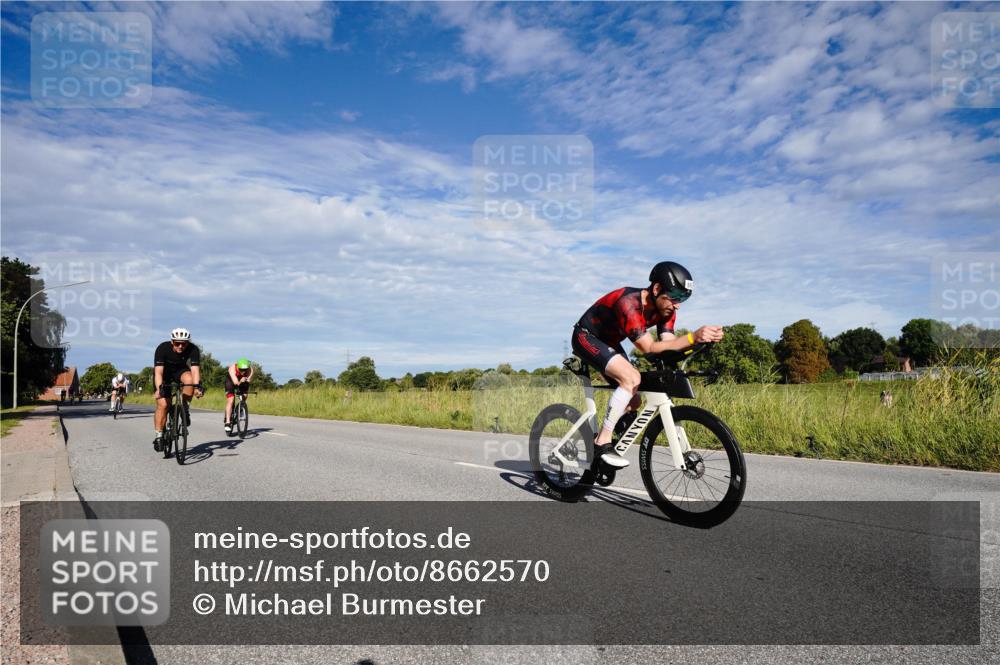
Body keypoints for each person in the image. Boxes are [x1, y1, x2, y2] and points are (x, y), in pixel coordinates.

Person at [572, 261, 724, 468]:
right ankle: (601, 442)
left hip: (611, 342)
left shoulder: (667, 309)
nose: (678, 304)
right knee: (631, 378)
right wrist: (692, 337)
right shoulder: (628, 303)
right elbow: (649, 347)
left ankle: (610, 441)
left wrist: (699, 342)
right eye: (675, 297)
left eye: (684, 298)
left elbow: (668, 344)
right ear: (656, 288)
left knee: (633, 401)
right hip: (586, 336)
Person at [152, 328, 203, 451]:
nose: (181, 346)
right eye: (177, 343)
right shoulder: (162, 348)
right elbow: (158, 372)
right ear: (172, 342)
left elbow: (195, 370)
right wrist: (160, 388)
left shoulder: (193, 349)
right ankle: (159, 435)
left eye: (184, 343)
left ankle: (184, 406)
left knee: (190, 381)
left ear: (188, 343)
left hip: (180, 371)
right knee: (163, 405)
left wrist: (197, 387)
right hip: (164, 374)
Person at [224, 357, 254, 434]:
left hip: (243, 380)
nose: (243, 372)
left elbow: (249, 379)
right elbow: (235, 383)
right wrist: (240, 381)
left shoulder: (250, 370)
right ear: (237, 366)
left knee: (245, 395)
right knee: (231, 400)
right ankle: (227, 422)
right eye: (241, 370)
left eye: (245, 370)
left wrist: (248, 379)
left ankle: (240, 408)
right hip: (231, 381)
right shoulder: (232, 368)